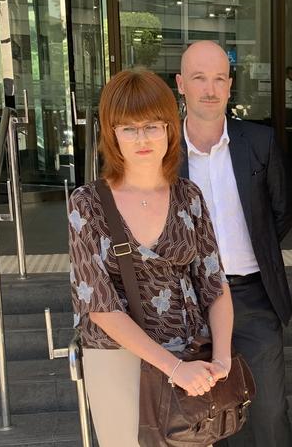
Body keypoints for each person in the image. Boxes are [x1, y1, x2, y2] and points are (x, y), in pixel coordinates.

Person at [68, 68, 233, 447]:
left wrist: (221, 358)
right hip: (117, 356)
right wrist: (173, 368)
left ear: (169, 128)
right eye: (128, 128)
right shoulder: (87, 204)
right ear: (112, 134)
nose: (142, 138)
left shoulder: (189, 197)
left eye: (152, 125)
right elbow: (99, 304)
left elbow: (215, 284)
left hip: (189, 351)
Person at [176, 40, 292, 447]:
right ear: (180, 84)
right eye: (198, 78)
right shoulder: (163, 150)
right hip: (187, 305)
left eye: (219, 79)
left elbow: (281, 213)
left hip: (252, 298)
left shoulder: (259, 142)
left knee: (269, 412)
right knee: (204, 418)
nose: (209, 89)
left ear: (229, 86)